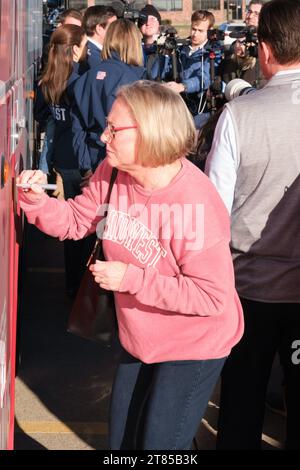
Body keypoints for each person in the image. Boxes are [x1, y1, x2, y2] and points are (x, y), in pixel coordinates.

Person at [17, 80, 244, 450]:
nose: (104, 136)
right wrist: (36, 202)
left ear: (151, 134)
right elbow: (77, 220)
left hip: (195, 344)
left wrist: (131, 278)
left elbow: (211, 297)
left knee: (160, 447)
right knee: (124, 442)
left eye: (114, 129)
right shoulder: (114, 172)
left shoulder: (197, 202)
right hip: (141, 338)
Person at [205, 0, 300, 450]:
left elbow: (213, 212)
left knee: (241, 405)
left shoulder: (239, 115)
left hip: (248, 288)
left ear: (263, 50)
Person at [34, 24, 88, 297]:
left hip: (63, 158)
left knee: (71, 223)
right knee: (89, 224)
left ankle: (71, 283)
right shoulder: (79, 78)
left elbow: (42, 117)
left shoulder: (48, 79)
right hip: (81, 159)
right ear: (75, 48)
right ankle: (83, 284)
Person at [72, 19, 145, 171]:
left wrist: (87, 167)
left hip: (92, 158)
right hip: (121, 163)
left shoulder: (86, 77)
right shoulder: (131, 81)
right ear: (133, 44)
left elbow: (77, 128)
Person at [164, 10, 221, 130]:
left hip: (200, 109)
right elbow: (166, 72)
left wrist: (183, 86)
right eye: (193, 29)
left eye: (200, 31)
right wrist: (165, 56)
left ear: (209, 32)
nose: (195, 34)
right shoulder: (182, 48)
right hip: (179, 105)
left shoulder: (213, 52)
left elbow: (205, 78)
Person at [137, 4, 168, 81]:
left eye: (152, 19)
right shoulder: (134, 48)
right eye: (144, 20)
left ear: (159, 24)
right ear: (139, 26)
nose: (148, 23)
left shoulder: (167, 47)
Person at [81, 5, 117, 70]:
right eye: (113, 27)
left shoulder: (92, 51)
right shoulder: (92, 57)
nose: (117, 31)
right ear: (99, 29)